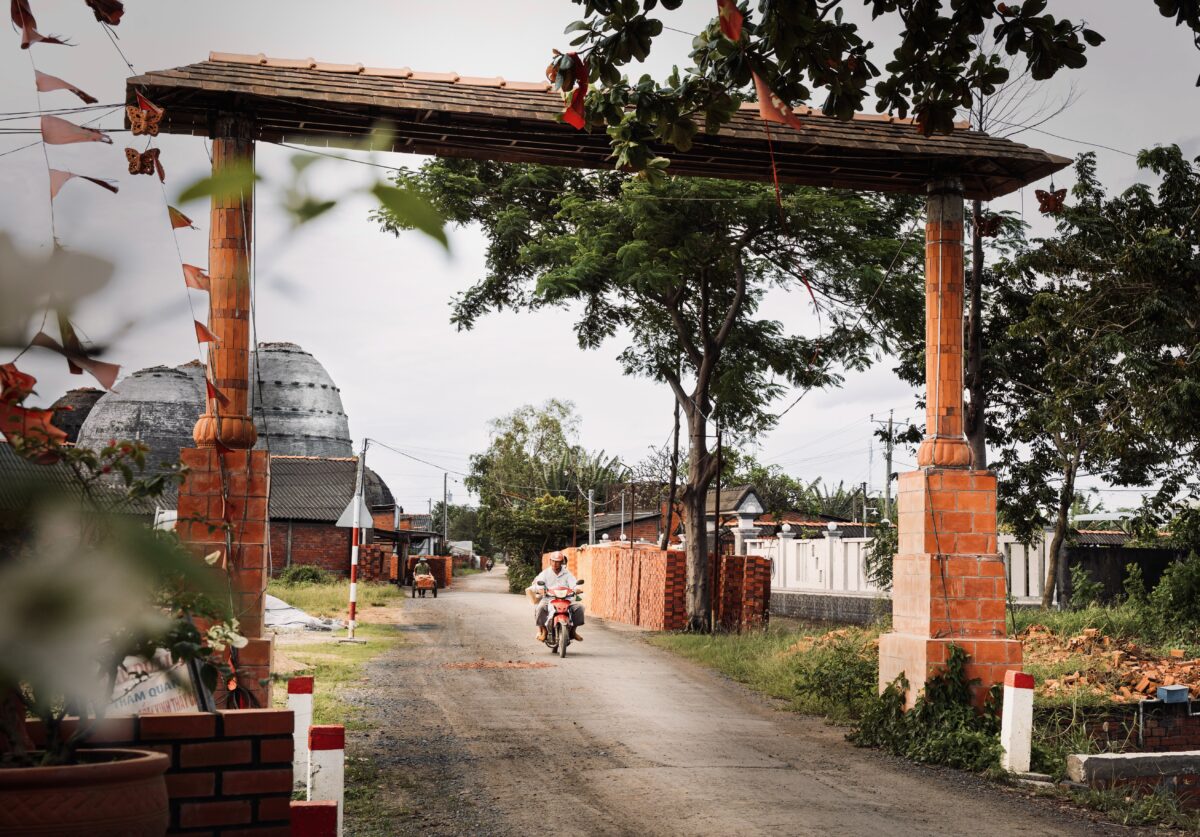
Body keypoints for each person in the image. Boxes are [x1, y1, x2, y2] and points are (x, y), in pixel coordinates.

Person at [529, 551, 584, 642]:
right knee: (540, 608)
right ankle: (544, 631)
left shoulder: (567, 573)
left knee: (580, 608)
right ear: (550, 561)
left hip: (566, 599)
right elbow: (538, 584)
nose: (555, 563)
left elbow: (574, 584)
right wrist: (541, 589)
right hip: (549, 598)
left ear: (562, 562)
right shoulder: (545, 573)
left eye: (558, 561)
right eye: (553, 561)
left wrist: (577, 589)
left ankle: (573, 631)